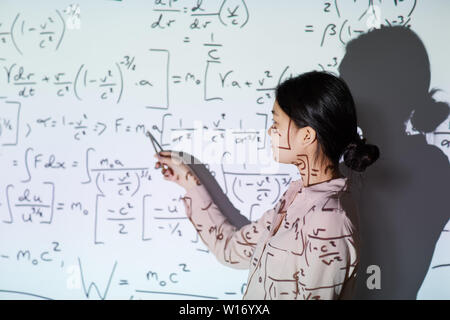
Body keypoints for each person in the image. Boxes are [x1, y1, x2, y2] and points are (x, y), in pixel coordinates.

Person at [154, 71, 380, 300]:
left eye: (276, 123)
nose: (270, 131)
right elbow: (232, 250)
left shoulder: (330, 219)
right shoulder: (295, 198)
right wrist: (188, 181)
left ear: (307, 136)